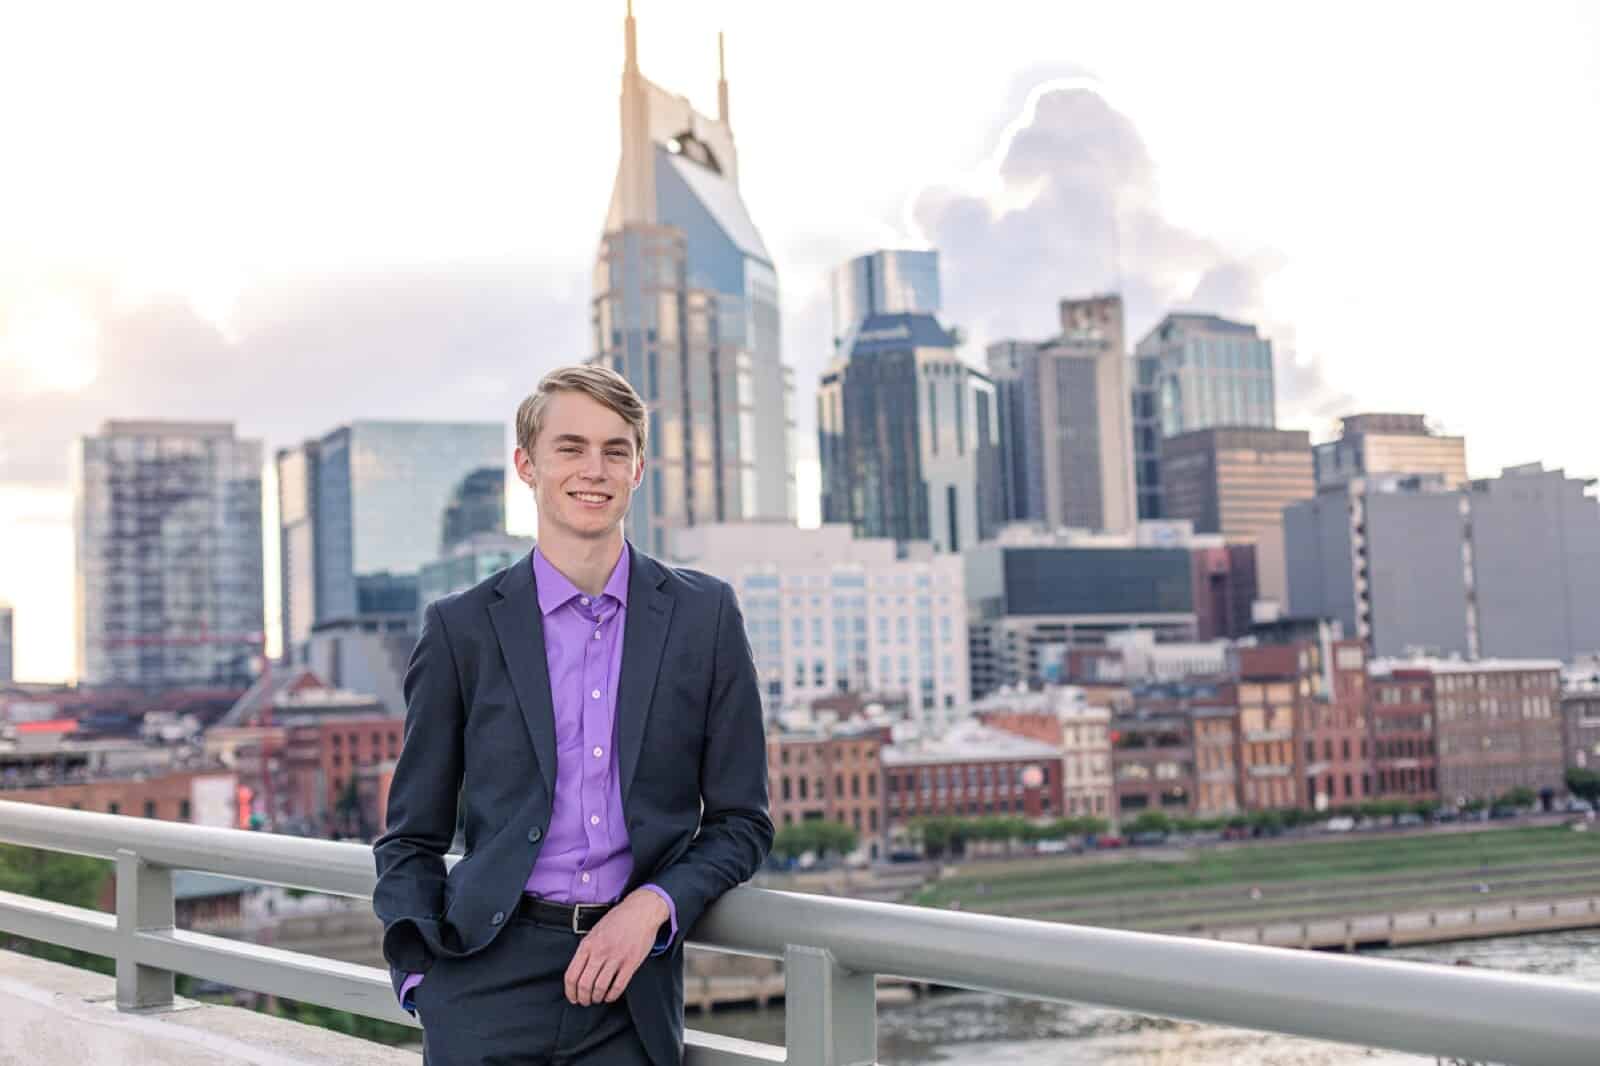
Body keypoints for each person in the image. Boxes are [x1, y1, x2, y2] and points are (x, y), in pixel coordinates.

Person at [372, 365, 773, 1065]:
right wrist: (421, 983)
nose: (595, 469)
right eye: (570, 447)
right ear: (527, 466)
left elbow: (743, 822)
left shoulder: (705, 616)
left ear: (639, 468)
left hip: (630, 985)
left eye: (615, 450)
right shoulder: (460, 629)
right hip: (484, 980)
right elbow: (411, 836)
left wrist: (654, 906)